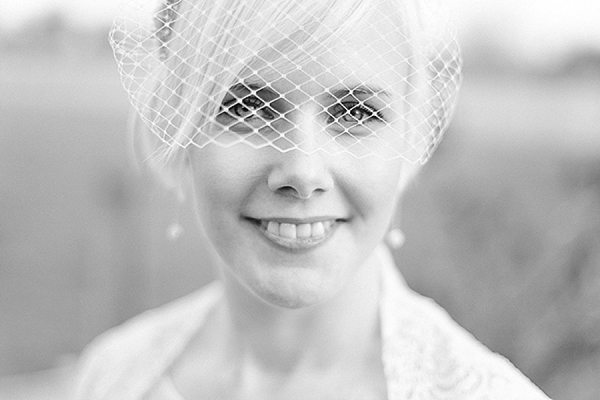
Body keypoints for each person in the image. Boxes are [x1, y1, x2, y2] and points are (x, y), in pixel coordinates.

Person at [74, 0, 551, 399]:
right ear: (181, 127)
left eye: (355, 111)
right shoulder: (114, 375)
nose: (303, 172)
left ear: (410, 138)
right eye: (247, 107)